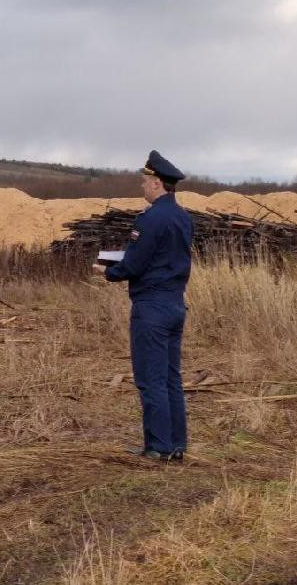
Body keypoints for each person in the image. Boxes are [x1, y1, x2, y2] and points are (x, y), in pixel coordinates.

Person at [93, 150, 193, 462]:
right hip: (175, 304)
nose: (142, 186)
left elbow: (134, 263)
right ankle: (176, 445)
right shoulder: (183, 218)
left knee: (151, 379)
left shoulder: (151, 219)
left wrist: (108, 272)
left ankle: (158, 447)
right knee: (170, 378)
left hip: (152, 307)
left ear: (157, 184)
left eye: (145, 181)